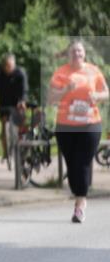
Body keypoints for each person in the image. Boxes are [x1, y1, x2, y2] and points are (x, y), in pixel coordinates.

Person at [47, 40, 108, 223]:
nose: (77, 54)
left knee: (82, 162)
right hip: (66, 125)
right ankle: (79, 194)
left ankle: (80, 204)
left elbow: (107, 92)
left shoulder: (93, 71)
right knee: (72, 164)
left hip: (90, 124)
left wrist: (97, 96)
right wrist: (65, 90)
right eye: (73, 52)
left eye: (80, 51)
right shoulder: (61, 73)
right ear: (68, 55)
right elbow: (50, 98)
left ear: (84, 54)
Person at [0, 53, 28, 163]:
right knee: (4, 125)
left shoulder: (20, 73)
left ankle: (22, 147)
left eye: (10, 66)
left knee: (20, 126)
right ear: (2, 65)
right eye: (5, 65)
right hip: (4, 103)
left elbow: (24, 90)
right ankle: (5, 152)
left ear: (14, 64)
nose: (7, 68)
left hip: (18, 102)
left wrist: (22, 101)